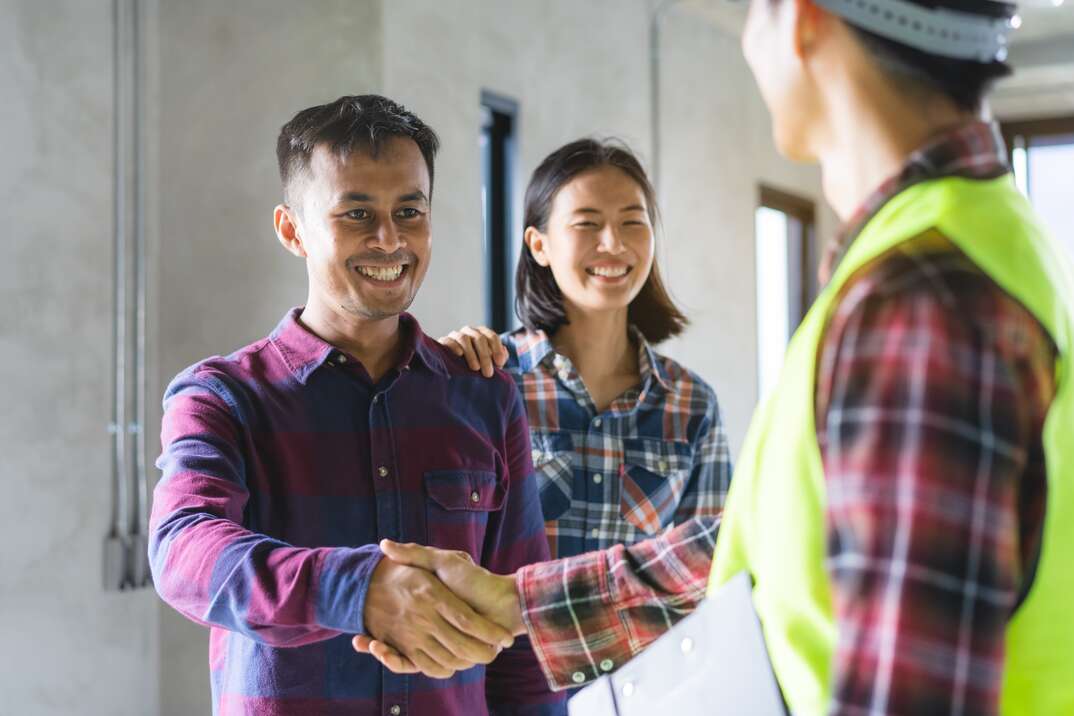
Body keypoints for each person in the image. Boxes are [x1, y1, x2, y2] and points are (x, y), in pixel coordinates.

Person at [356, 1, 1074, 713]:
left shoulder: (918, 299)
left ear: (803, 22)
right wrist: (520, 601)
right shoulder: (965, 240)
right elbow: (749, 546)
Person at [150, 94, 565, 716]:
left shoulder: (484, 395)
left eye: (409, 211)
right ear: (293, 230)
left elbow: (521, 631)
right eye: (356, 214)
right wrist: (356, 589)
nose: (389, 240)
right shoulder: (221, 396)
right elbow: (184, 549)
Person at [439, 139, 732, 561]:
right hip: (510, 629)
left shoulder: (691, 404)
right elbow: (450, 548)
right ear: (539, 245)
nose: (613, 243)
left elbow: (705, 571)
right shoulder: (489, 380)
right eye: (587, 224)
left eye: (632, 222)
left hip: (645, 632)